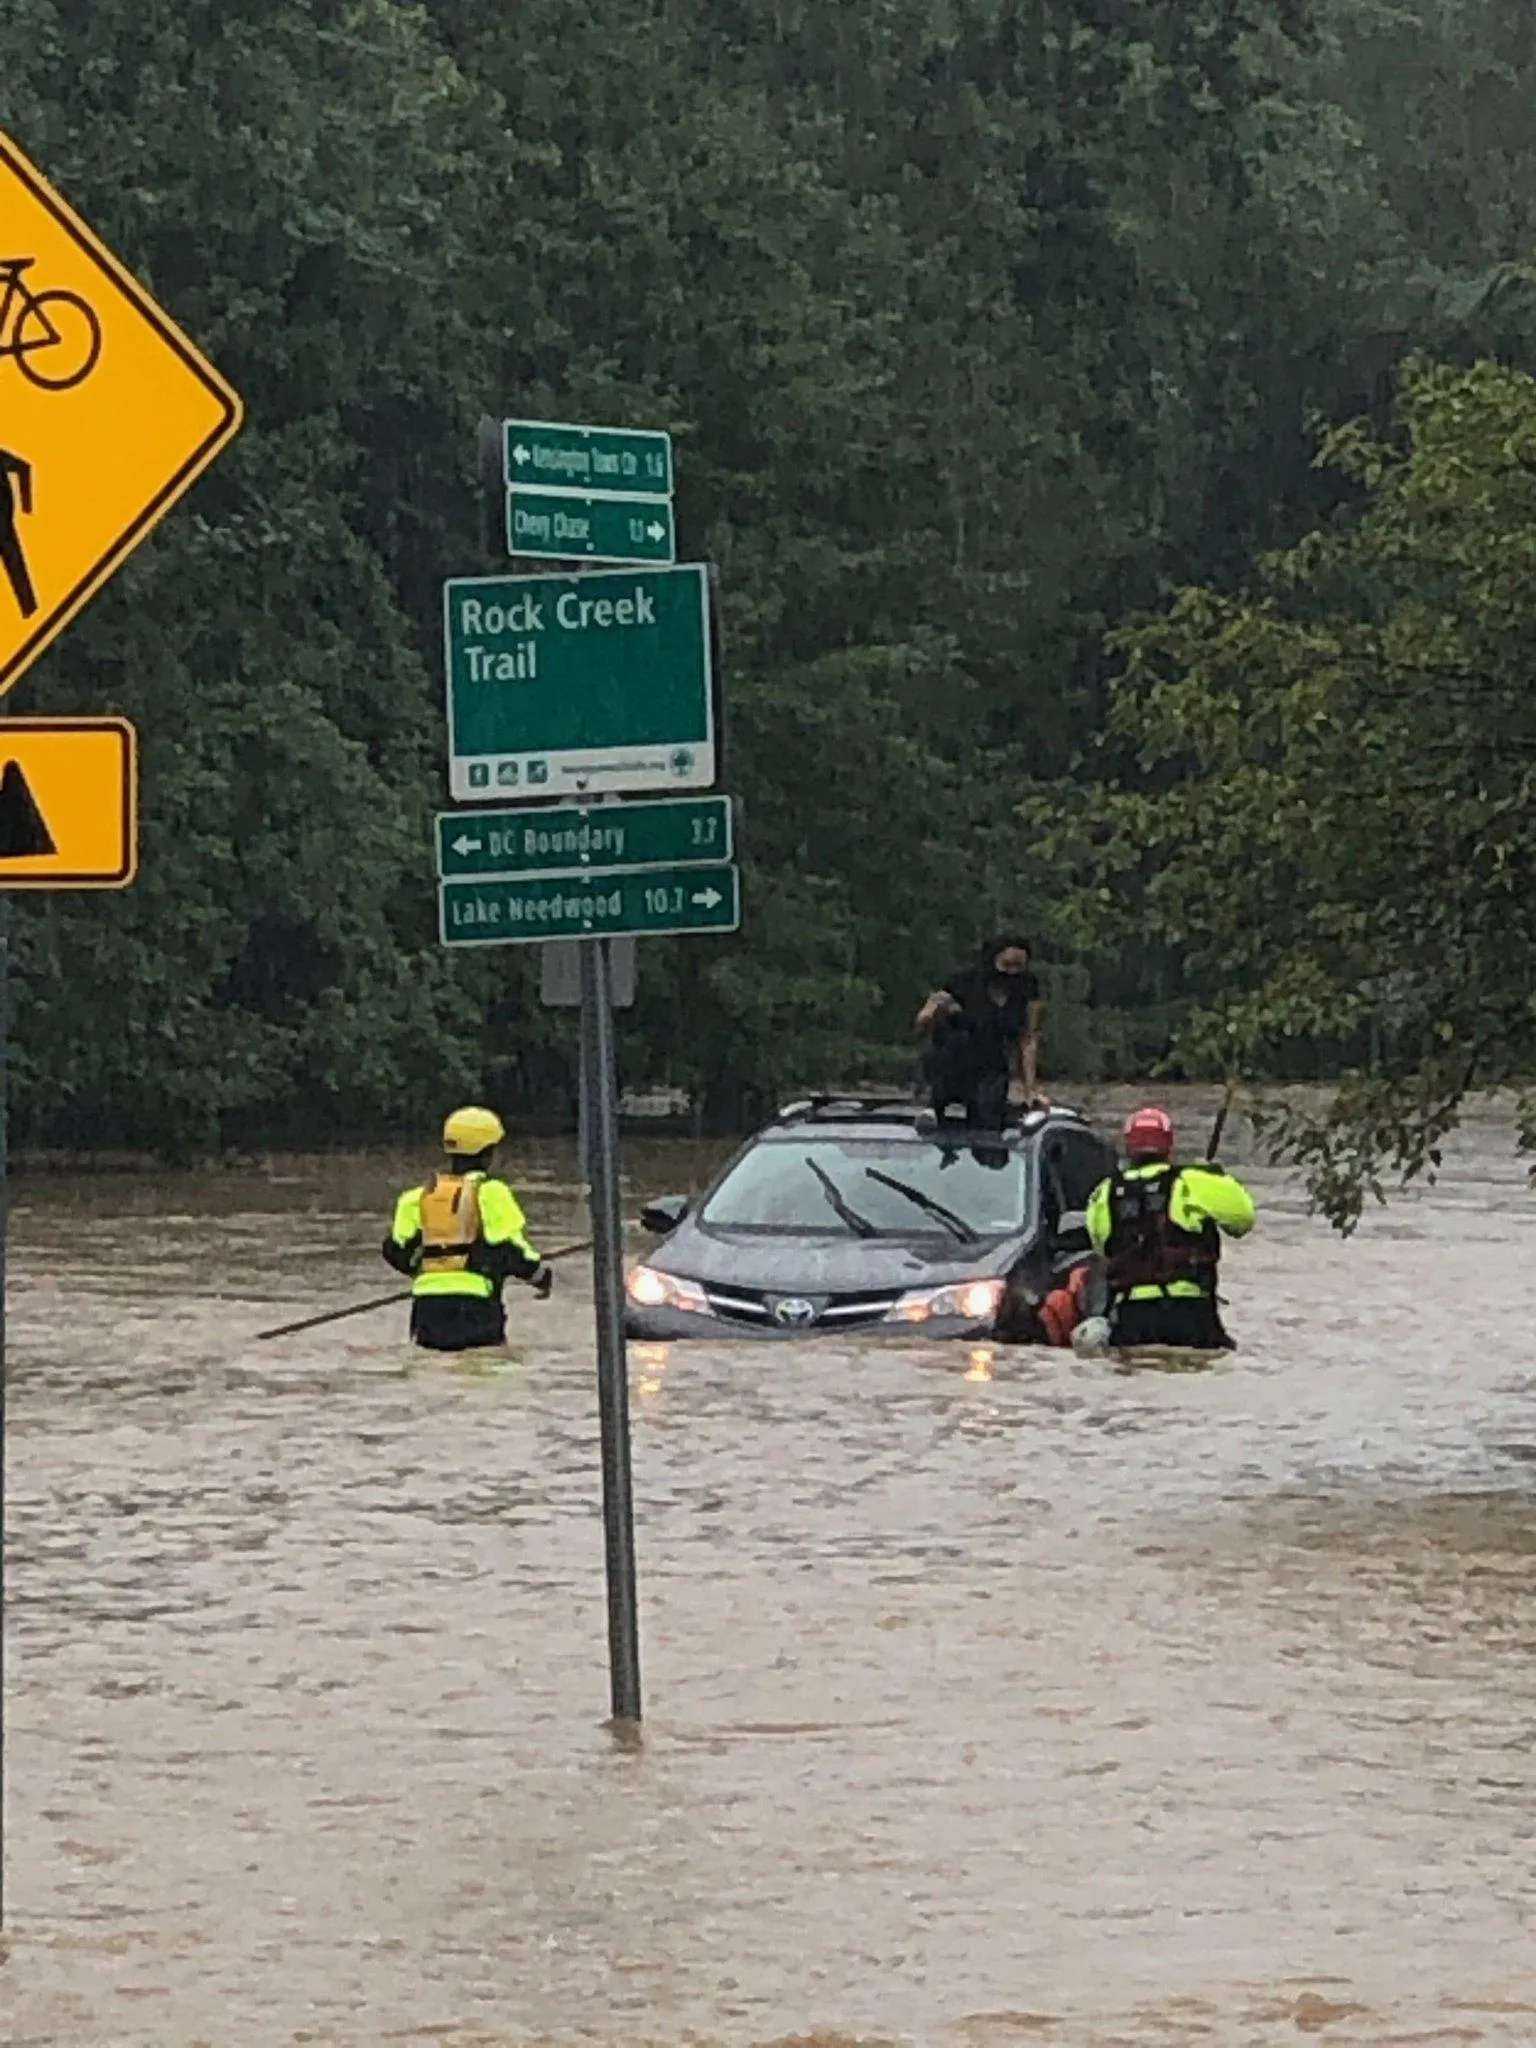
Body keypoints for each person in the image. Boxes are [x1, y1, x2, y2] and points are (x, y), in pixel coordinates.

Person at [1085, 1105, 1255, 1351]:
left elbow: (1100, 1246)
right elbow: (1243, 1220)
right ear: (1169, 1145)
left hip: (1131, 1318)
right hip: (1189, 1314)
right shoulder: (1193, 1182)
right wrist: (1218, 1179)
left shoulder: (1104, 1193)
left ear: (1128, 1147)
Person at [383, 1106, 553, 1351]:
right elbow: (513, 1251)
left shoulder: (418, 1197)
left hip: (427, 1310)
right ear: (489, 1152)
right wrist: (540, 1277)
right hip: (476, 1309)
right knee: (483, 1374)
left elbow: (395, 1251)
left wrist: (431, 1273)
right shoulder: (493, 1194)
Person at [916, 932, 1046, 1129]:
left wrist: (1030, 1090)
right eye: (1006, 965)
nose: (1011, 973)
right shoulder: (964, 982)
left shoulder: (1027, 987)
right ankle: (933, 1107)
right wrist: (935, 1012)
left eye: (1019, 967)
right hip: (952, 1061)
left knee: (988, 1121)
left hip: (992, 1067)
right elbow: (922, 1022)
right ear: (992, 960)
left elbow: (1028, 1039)